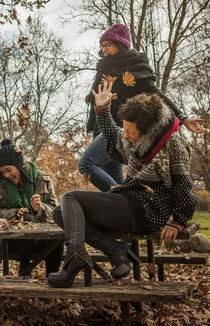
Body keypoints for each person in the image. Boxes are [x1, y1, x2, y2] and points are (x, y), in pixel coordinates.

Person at [48, 82, 197, 288]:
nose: (125, 135)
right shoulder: (132, 138)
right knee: (60, 212)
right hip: (131, 200)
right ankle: (116, 252)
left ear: (149, 131)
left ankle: (75, 256)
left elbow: (183, 185)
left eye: (130, 131)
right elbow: (112, 134)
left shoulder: (174, 143)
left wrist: (178, 220)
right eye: (125, 129)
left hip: (150, 209)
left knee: (70, 197)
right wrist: (101, 109)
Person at [79, 23, 206, 192]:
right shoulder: (106, 66)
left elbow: (156, 94)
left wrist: (182, 118)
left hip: (117, 130)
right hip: (99, 128)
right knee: (116, 181)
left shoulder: (133, 69)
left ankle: (129, 196)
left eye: (108, 44)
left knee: (87, 164)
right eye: (102, 46)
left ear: (121, 43)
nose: (104, 49)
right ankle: (128, 211)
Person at [0, 139, 63, 276]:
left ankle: (52, 278)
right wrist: (15, 213)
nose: (6, 175)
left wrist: (39, 208)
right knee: (26, 219)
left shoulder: (43, 179)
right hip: (12, 240)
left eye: (9, 170)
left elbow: (56, 213)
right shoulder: (0, 185)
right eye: (2, 172)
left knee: (57, 239)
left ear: (19, 165)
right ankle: (24, 274)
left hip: (43, 238)